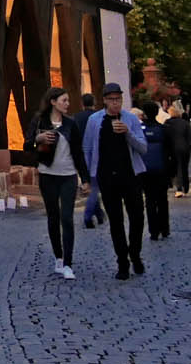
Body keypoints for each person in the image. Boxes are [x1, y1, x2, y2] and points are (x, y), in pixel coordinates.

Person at [79, 84, 147, 279]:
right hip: (107, 177)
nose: (116, 103)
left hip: (131, 175)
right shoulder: (94, 120)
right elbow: (87, 148)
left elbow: (143, 148)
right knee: (116, 221)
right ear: (105, 101)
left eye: (118, 99)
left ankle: (135, 253)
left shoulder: (131, 119)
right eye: (112, 99)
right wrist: (88, 177)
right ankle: (122, 262)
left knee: (137, 216)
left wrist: (127, 133)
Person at [27, 87, 88, 279]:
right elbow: (26, 145)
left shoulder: (71, 124)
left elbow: (78, 152)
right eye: (64, 100)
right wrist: (39, 138)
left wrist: (85, 179)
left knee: (67, 218)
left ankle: (69, 263)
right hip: (48, 174)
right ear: (53, 101)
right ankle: (58, 258)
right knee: (53, 217)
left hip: (68, 175)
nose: (67, 104)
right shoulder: (40, 121)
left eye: (68, 100)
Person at [137, 104, 170, 242]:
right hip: (161, 169)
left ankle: (153, 231)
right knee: (162, 199)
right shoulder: (163, 129)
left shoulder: (139, 130)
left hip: (145, 170)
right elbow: (169, 151)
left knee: (149, 200)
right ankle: (164, 228)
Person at [74, 94, 105, 228]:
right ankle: (88, 216)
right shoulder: (98, 117)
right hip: (94, 153)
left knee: (92, 185)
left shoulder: (76, 118)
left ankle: (99, 213)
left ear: (82, 103)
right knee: (94, 187)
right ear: (94, 102)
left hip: (79, 154)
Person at [166, 103, 191, 196]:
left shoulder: (167, 123)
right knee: (184, 167)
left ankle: (179, 189)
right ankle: (186, 187)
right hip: (185, 148)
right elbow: (189, 136)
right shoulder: (184, 122)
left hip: (173, 148)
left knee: (177, 168)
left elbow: (166, 136)